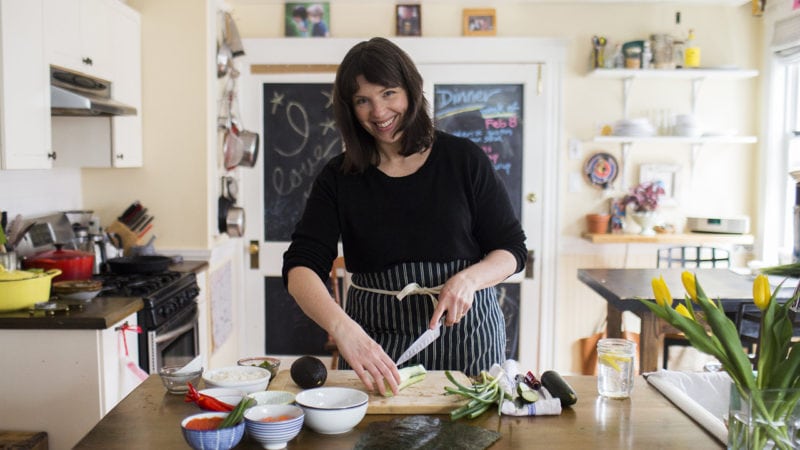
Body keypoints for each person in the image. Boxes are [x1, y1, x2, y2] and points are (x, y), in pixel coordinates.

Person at [282, 37, 526, 396]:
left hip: (468, 336)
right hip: (374, 345)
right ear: (349, 108)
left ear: (411, 90)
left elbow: (511, 250)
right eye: (362, 100)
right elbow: (300, 266)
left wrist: (470, 280)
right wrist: (343, 329)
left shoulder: (463, 160)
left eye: (388, 93)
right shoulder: (339, 177)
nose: (378, 112)